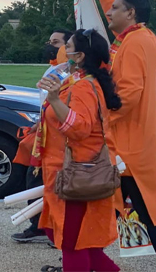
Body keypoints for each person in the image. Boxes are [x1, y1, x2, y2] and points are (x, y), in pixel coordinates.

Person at [85, 0, 156, 272]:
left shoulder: (134, 43)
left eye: (115, 9)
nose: (109, 13)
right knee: (143, 215)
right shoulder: (136, 37)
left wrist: (97, 115)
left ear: (130, 13)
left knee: (151, 217)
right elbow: (113, 10)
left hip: (128, 150)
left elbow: (127, 96)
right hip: (130, 147)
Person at [36, 29, 121, 272]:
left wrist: (54, 101)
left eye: (67, 47)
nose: (63, 51)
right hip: (76, 172)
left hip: (77, 175)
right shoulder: (81, 82)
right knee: (85, 244)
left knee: (73, 243)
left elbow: (78, 128)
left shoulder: (84, 86)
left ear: (80, 55)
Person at [11, 28, 73, 245]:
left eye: (56, 42)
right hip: (43, 134)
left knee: (47, 183)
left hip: (57, 139)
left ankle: (54, 230)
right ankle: (39, 225)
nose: (50, 45)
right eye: (50, 41)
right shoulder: (53, 69)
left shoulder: (69, 74)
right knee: (34, 180)